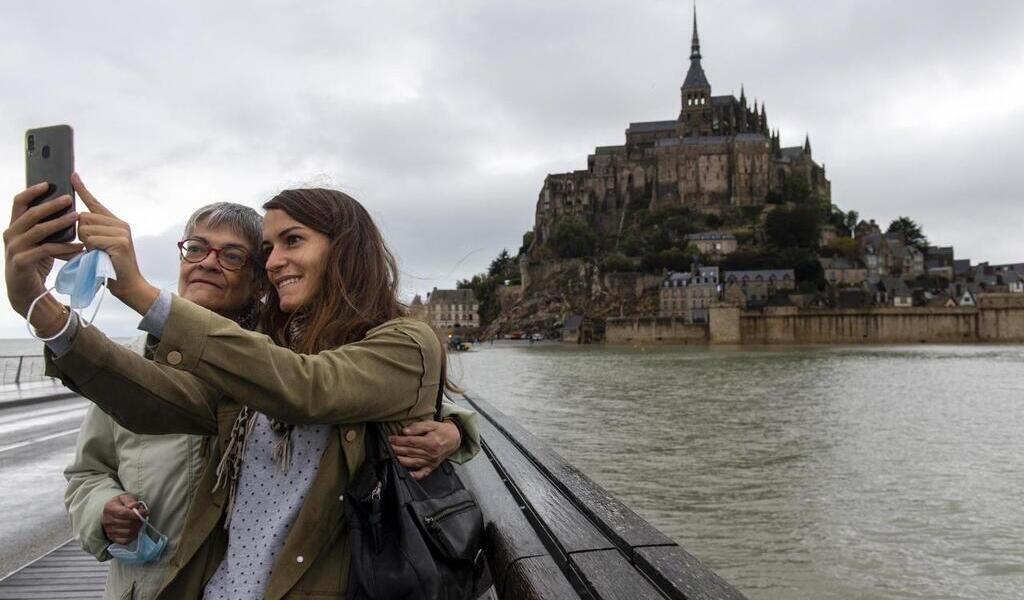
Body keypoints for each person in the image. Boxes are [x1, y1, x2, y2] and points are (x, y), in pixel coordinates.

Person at [5, 180, 480, 599]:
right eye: (269, 247)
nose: (275, 261)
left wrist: (141, 294)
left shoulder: (402, 341)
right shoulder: (270, 347)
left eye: (291, 241)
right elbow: (160, 400)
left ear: (347, 250)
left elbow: (308, 387)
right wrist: (39, 306)